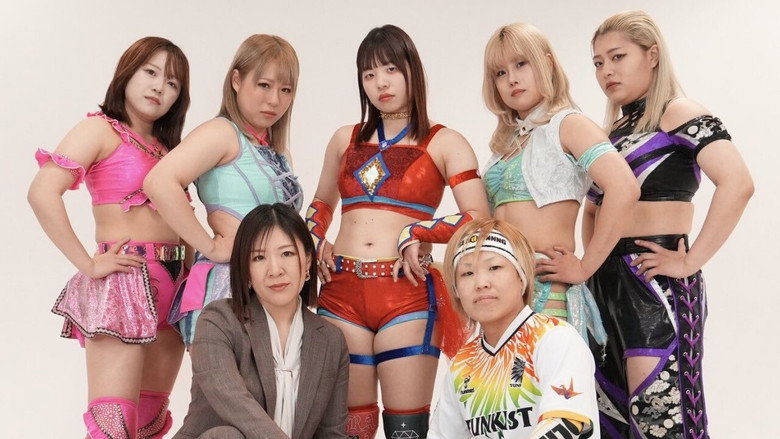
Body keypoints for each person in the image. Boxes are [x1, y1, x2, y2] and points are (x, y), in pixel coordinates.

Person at [305, 24, 489, 439]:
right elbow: (320, 204)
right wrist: (316, 241)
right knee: (348, 427)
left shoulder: (445, 142)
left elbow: (478, 218)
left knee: (406, 427)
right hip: (340, 291)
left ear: (412, 70)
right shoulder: (344, 139)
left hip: (406, 293)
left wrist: (418, 232)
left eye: (391, 69)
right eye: (369, 74)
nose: (381, 83)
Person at [586, 11, 754, 438]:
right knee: (611, 420)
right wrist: (590, 267)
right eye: (598, 63)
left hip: (655, 285)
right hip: (605, 286)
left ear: (652, 55)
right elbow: (592, 210)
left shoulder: (679, 112)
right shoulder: (610, 133)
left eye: (618, 57)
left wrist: (690, 261)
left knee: (661, 419)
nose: (606, 71)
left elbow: (738, 183)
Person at [28, 37, 190, 438]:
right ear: (127, 73)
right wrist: (87, 263)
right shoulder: (99, 130)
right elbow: (42, 192)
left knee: (150, 422)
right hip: (124, 283)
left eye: (172, 82)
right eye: (150, 72)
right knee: (113, 425)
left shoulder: (170, 150)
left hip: (176, 288)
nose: (159, 87)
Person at [481, 23, 638, 342]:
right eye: (500, 72)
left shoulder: (569, 124)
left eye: (521, 64)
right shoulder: (505, 143)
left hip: (544, 289)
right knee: (500, 377)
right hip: (498, 292)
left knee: (546, 375)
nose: (511, 79)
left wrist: (585, 267)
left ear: (547, 63)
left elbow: (624, 188)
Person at [145, 34, 303, 347]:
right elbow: (159, 182)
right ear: (236, 80)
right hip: (227, 289)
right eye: (264, 85)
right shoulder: (221, 132)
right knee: (222, 380)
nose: (275, 100)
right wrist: (209, 245)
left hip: (272, 289)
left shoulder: (275, 148)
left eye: (286, 90)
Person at [173, 203, 349, 439]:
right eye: (258, 257)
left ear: (308, 260)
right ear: (246, 269)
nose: (275, 270)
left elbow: (331, 433)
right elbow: (234, 402)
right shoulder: (218, 321)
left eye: (287, 253)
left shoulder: (330, 340)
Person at [430, 218, 598, 438]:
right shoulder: (462, 364)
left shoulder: (554, 338)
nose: (481, 283)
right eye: (467, 273)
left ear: (522, 277)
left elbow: (568, 425)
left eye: (495, 267)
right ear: (456, 290)